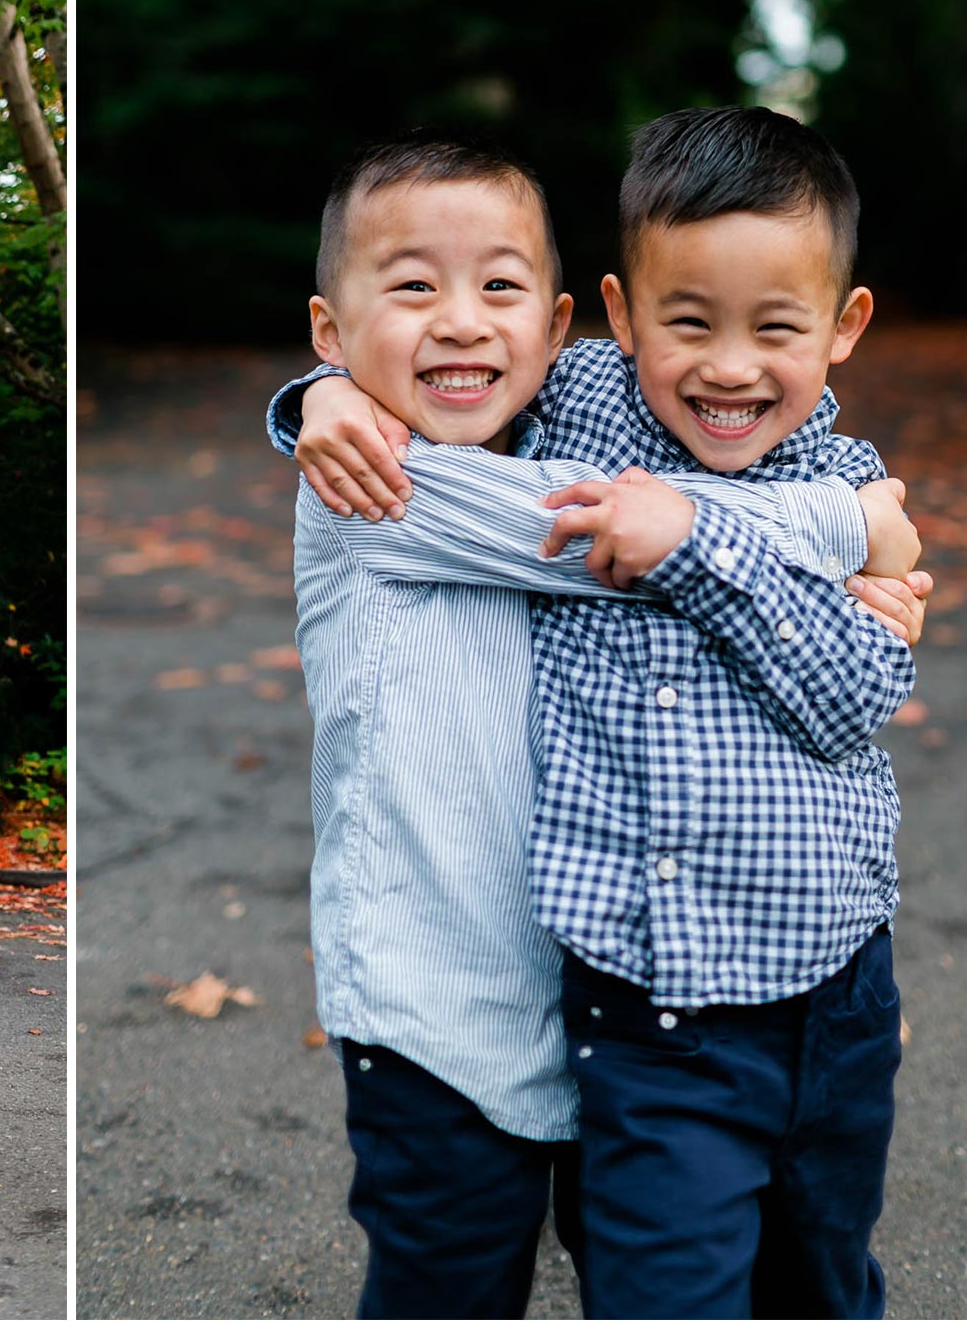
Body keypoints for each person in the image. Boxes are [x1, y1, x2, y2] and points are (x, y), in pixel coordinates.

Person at [263, 133, 926, 1317]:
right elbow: (593, 525)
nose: (463, 320)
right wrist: (848, 522)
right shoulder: (370, 482)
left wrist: (830, 522)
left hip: (585, 986)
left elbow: (663, 513)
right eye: (414, 286)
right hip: (433, 1004)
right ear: (331, 328)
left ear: (563, 321)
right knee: (450, 1286)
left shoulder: (567, 418)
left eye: (500, 289)